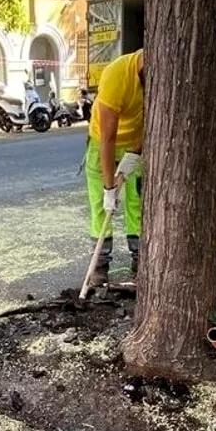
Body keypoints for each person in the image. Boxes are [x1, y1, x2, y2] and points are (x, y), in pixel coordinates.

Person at [86, 48, 144, 286]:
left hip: (135, 144)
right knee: (101, 204)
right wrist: (110, 187)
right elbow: (107, 140)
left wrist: (135, 154)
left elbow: (154, 121)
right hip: (103, 142)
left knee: (136, 202)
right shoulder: (118, 74)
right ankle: (100, 265)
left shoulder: (163, 82)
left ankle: (141, 260)